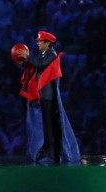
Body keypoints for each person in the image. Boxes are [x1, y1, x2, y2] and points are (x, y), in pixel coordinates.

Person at [16, 30, 80, 164]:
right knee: (43, 125)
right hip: (41, 96)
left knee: (52, 126)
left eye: (40, 42)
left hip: (49, 97)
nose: (38, 44)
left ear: (47, 43)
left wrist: (27, 57)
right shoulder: (42, 55)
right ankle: (45, 151)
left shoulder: (52, 55)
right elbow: (34, 67)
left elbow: (40, 66)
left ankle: (55, 153)